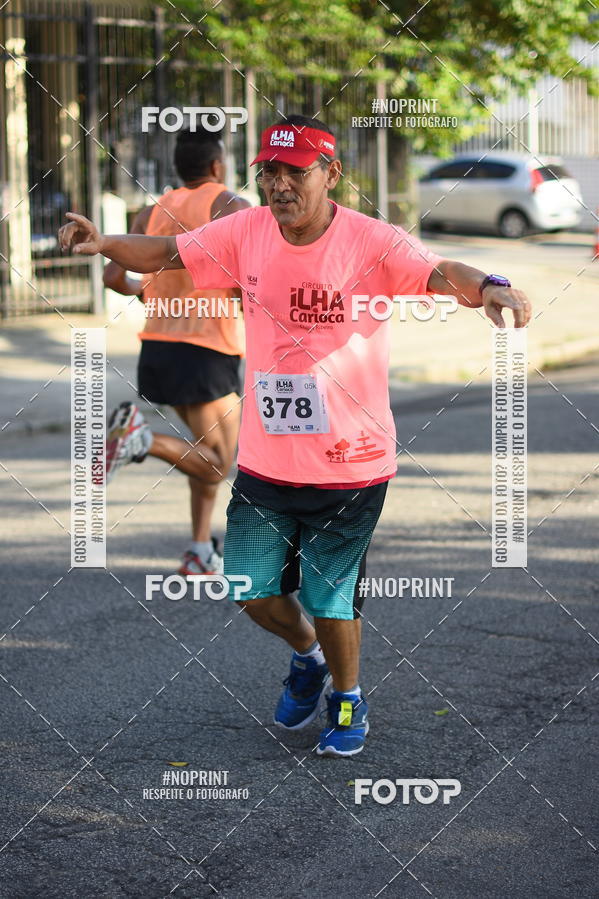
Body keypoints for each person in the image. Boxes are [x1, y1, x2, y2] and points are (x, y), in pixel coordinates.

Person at [59, 114, 531, 757]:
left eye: (296, 172)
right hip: (266, 457)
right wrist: (104, 240)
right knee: (249, 589)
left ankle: (347, 697)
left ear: (330, 174)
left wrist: (493, 285)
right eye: (270, 173)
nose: (281, 185)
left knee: (329, 593)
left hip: (352, 460)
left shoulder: (371, 241)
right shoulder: (248, 230)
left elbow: (438, 271)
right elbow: (171, 254)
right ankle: (306, 657)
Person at [102, 127, 249, 575]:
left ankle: (199, 550)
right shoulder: (230, 205)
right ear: (217, 166)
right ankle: (140, 439)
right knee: (219, 463)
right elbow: (251, 279)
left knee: (204, 455)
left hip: (159, 348)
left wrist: (153, 294)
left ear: (178, 169)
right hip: (205, 348)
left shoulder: (151, 211)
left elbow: (113, 278)